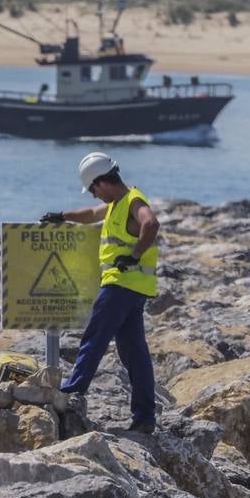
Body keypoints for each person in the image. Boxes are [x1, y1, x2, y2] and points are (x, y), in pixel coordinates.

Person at [40, 151, 159, 433]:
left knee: (94, 338)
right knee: (134, 352)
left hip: (121, 284)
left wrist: (134, 254)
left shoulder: (132, 201)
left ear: (103, 182)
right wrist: (62, 216)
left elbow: (151, 223)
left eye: (93, 189)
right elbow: (92, 214)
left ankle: (72, 389)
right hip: (135, 288)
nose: (93, 195)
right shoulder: (117, 204)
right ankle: (144, 417)